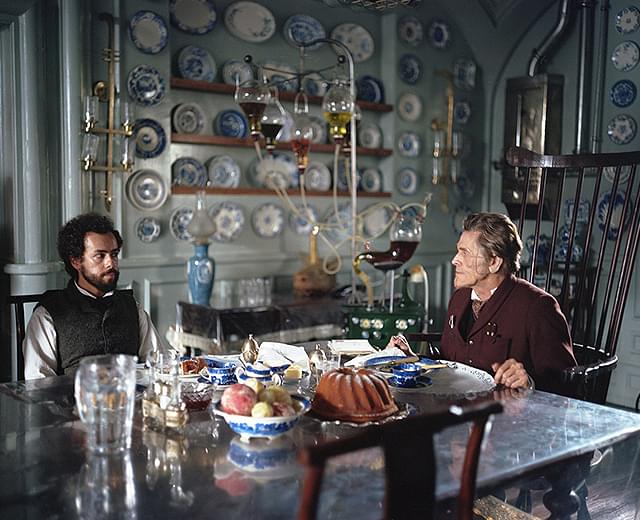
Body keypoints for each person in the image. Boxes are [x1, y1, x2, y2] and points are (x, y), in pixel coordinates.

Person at [439, 212, 576, 393]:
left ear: (494, 262)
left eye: (465, 253)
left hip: (508, 410)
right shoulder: (459, 298)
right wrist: (412, 359)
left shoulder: (538, 307)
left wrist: (529, 383)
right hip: (456, 406)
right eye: (458, 251)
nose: (455, 260)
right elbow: (447, 362)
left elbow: (566, 384)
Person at [23, 213, 163, 379]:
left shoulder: (132, 307)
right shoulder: (49, 314)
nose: (110, 263)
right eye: (100, 256)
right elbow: (38, 382)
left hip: (130, 394)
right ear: (76, 261)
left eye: (114, 254)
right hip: (73, 396)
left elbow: (158, 364)